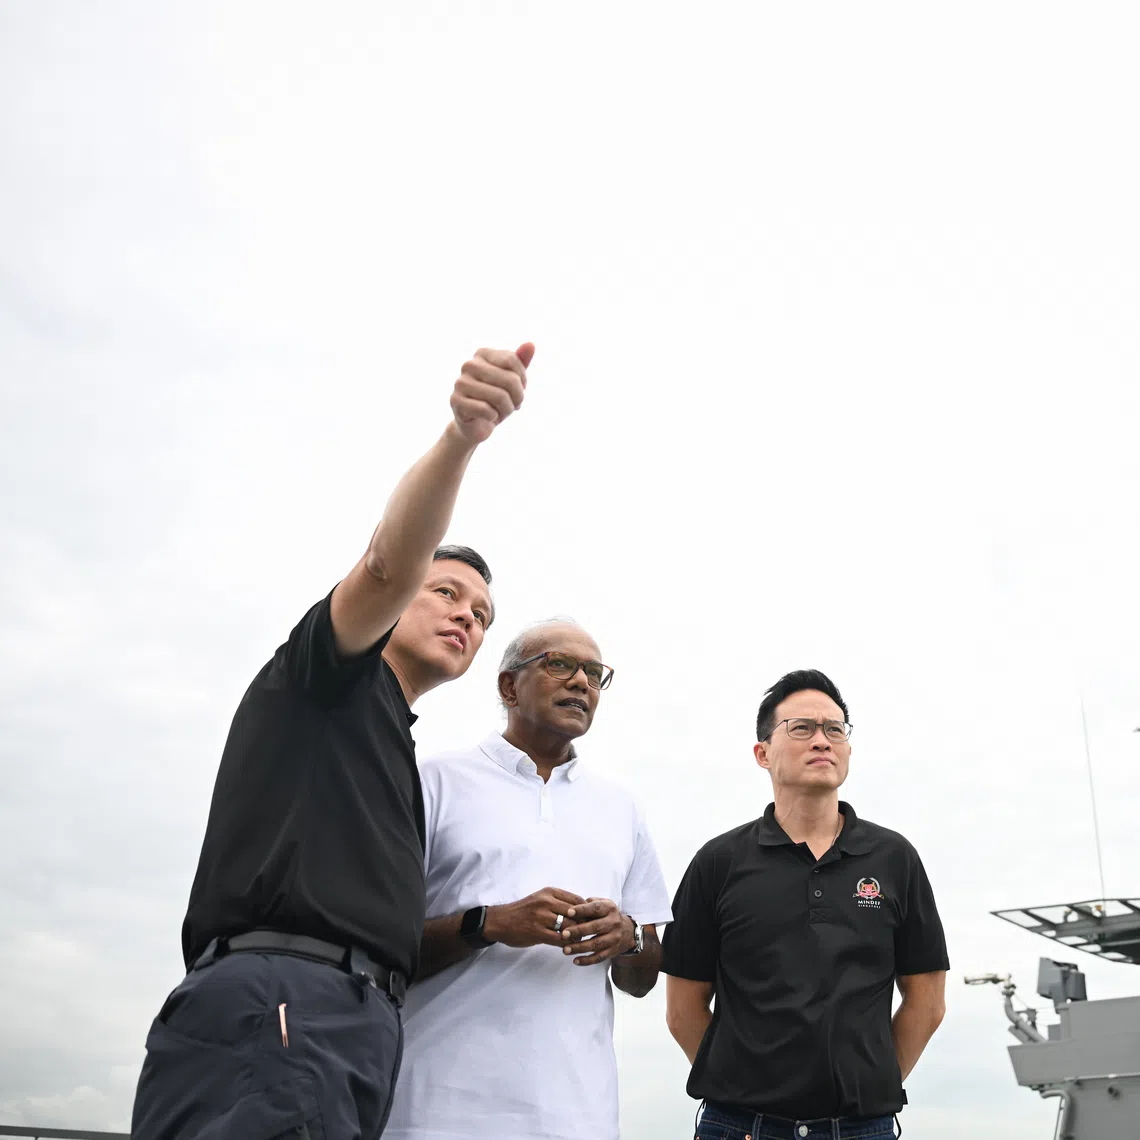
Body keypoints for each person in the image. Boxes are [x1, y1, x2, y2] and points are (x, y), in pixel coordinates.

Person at [131, 343, 536, 1140]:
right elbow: (387, 566)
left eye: (482, 614)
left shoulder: (393, 742)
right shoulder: (329, 678)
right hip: (283, 1007)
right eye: (446, 592)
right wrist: (463, 438)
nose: (467, 615)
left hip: (350, 1027)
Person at [383, 619, 673, 1140]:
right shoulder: (432, 781)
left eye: (594, 673)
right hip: (435, 1111)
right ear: (508, 686)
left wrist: (626, 936)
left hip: (578, 1117)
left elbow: (641, 979)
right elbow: (378, 950)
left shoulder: (620, 807)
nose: (581, 682)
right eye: (559, 664)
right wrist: (490, 924)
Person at [663, 669, 948, 1140]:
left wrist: (866, 1083)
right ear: (763, 753)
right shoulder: (718, 863)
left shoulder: (895, 859)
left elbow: (927, 1002)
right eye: (802, 728)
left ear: (848, 749)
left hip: (861, 1129)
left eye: (834, 729)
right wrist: (745, 1085)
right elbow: (682, 1009)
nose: (822, 740)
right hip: (739, 1127)